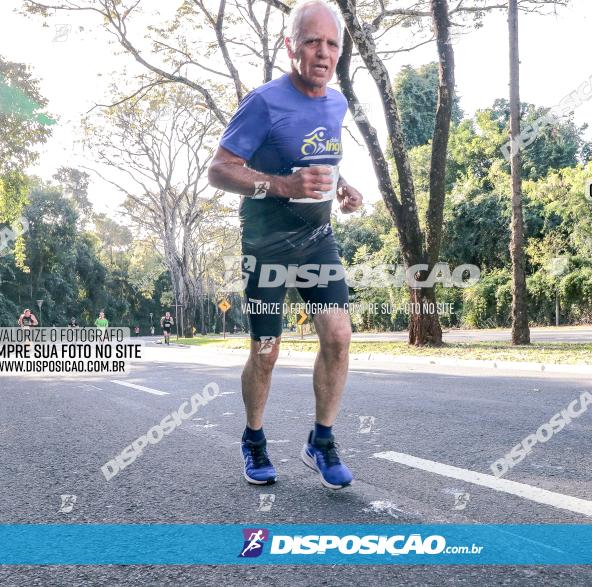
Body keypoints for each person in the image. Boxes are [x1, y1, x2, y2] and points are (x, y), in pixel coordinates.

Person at [207, 0, 363, 489]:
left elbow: (319, 156)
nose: (323, 53)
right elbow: (219, 169)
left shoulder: (336, 102)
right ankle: (254, 441)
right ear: (289, 45)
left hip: (317, 240)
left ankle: (321, 441)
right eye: (313, 41)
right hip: (267, 245)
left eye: (332, 43)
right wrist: (283, 186)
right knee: (267, 350)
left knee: (338, 336)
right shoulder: (264, 102)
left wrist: (343, 187)